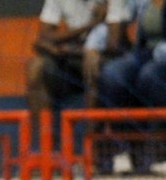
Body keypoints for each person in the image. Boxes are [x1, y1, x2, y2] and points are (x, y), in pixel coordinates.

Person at [26, 0, 132, 144]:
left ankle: (92, 152)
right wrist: (91, 24)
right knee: (36, 67)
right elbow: (45, 36)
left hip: (105, 57)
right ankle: (44, 150)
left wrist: (80, 50)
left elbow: (114, 44)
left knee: (92, 65)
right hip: (72, 56)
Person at [97, 0, 166, 175]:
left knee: (148, 76)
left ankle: (154, 146)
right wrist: (93, 46)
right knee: (113, 74)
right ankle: (129, 145)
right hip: (145, 53)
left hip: (161, 56)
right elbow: (112, 24)